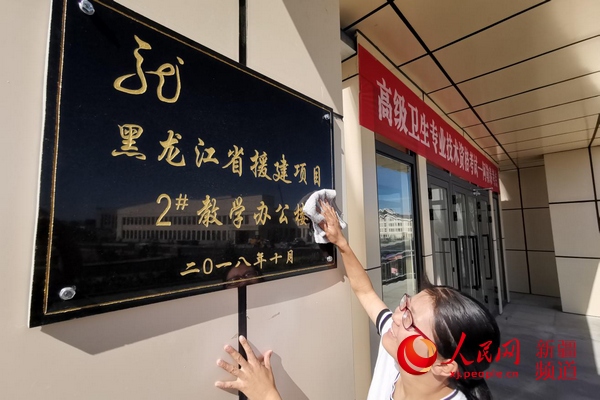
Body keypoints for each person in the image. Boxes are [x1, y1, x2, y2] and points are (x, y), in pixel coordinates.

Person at [216, 201, 501, 400]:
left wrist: (267, 395)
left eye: (409, 319)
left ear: (445, 366)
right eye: (406, 305)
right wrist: (340, 242)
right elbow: (365, 292)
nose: (396, 315)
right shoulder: (398, 354)